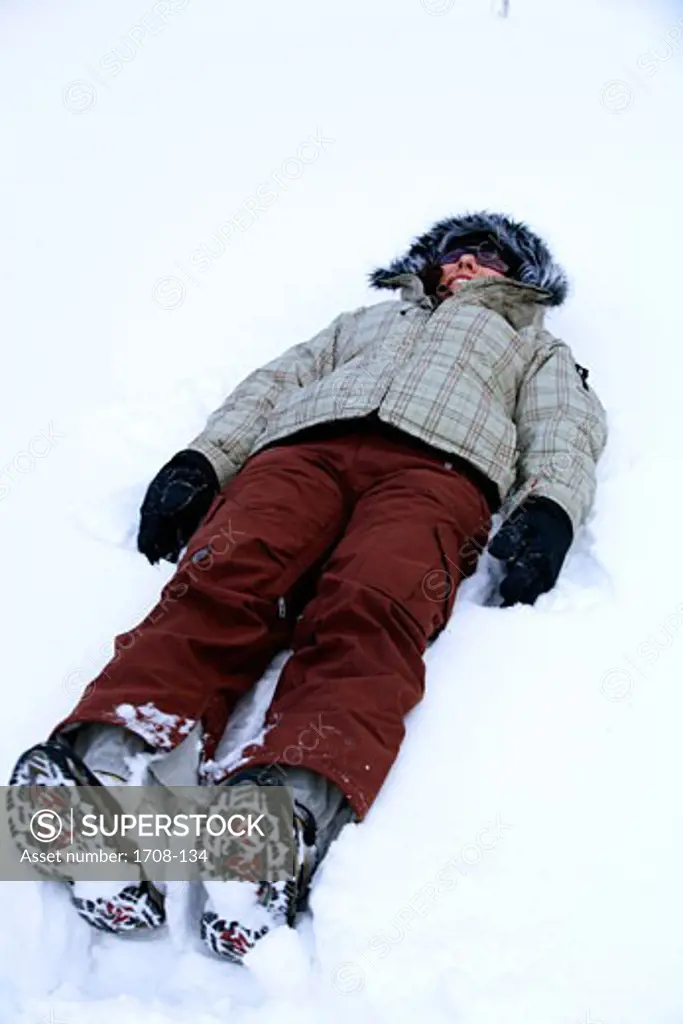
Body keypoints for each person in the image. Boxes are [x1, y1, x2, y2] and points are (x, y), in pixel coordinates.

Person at [8, 211, 608, 963]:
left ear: (518, 276)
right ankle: (107, 775)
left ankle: (275, 821)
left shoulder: (532, 346)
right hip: (300, 455)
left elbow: (563, 426)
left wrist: (548, 506)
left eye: (488, 255)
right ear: (430, 265)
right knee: (220, 582)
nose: (467, 263)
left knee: (372, 607)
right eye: (456, 252)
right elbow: (275, 383)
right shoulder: (364, 322)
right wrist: (203, 459)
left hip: (441, 473)